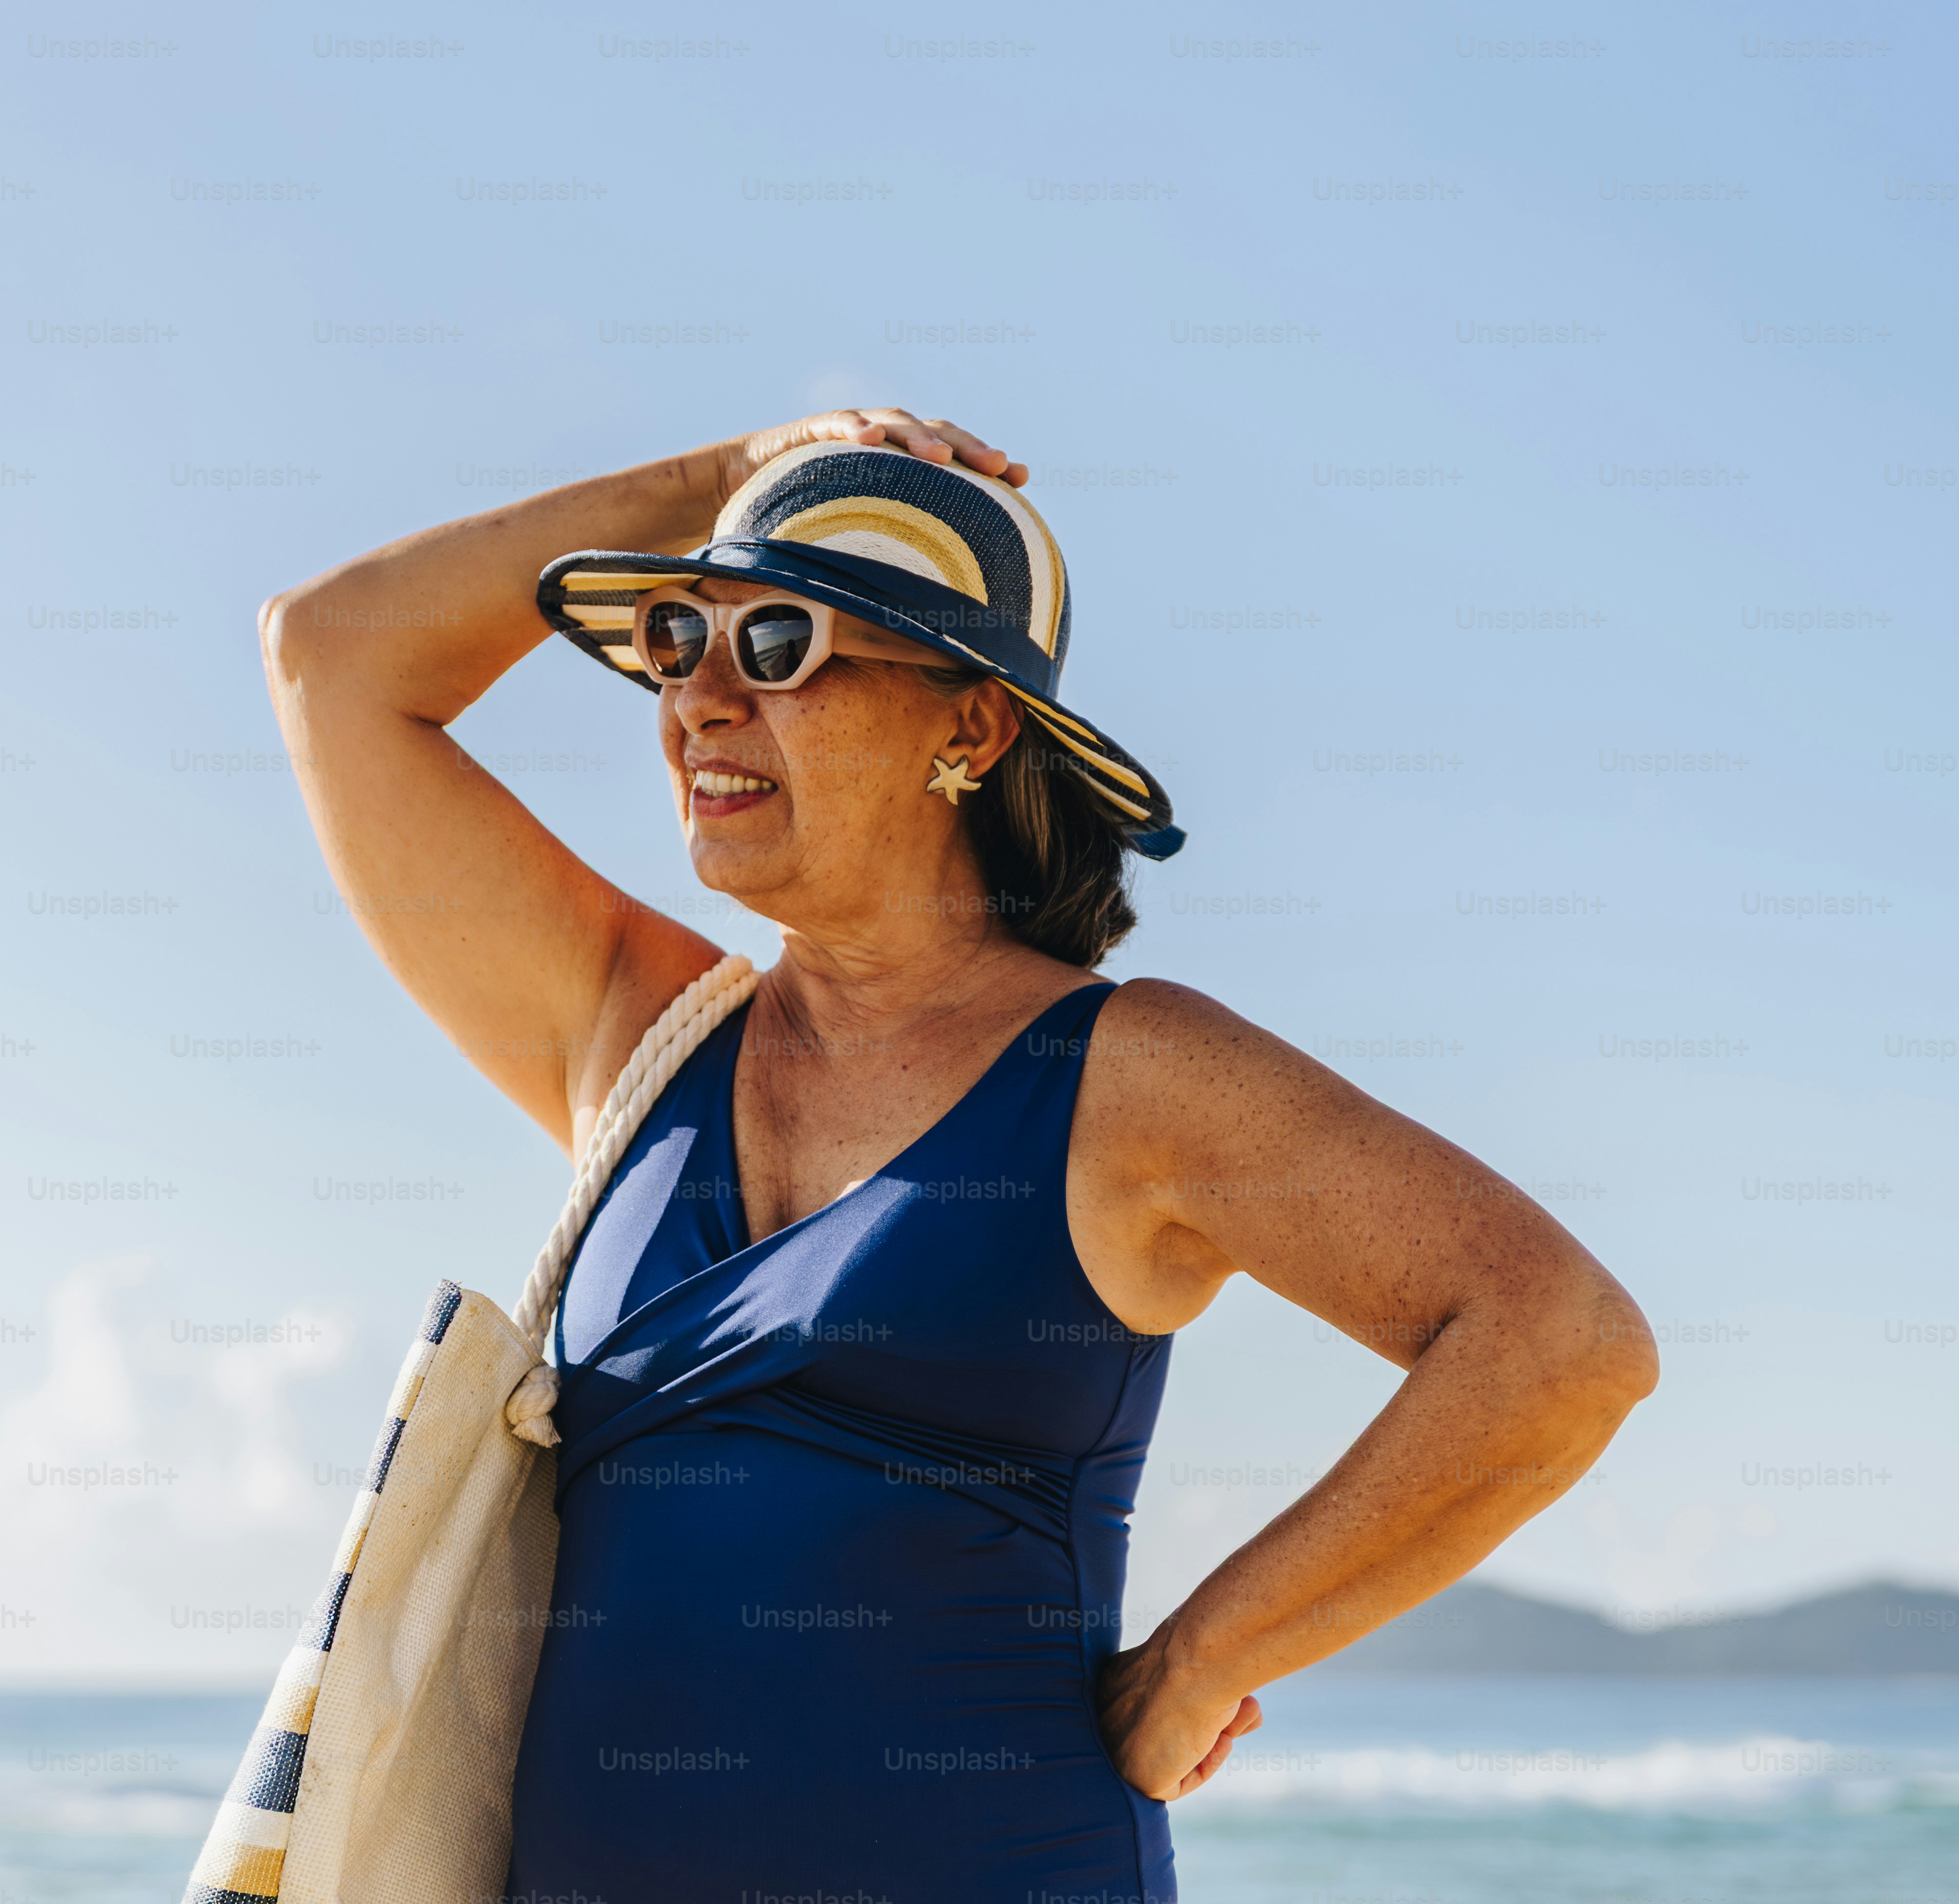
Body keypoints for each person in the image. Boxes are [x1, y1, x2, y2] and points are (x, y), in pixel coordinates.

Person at [260, 408, 1658, 1902]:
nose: (701, 701)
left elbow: (1557, 1342)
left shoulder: (1129, 1078)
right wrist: (710, 483)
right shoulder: (636, 1036)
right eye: (678, 638)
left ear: (971, 728)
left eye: (782, 644)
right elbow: (331, 658)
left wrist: (1209, 1655)